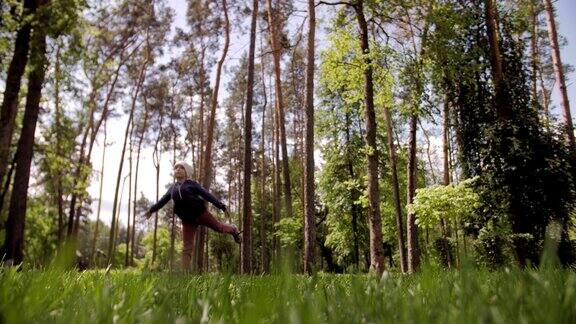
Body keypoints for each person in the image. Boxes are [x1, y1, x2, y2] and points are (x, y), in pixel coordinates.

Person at [144, 161, 241, 271]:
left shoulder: (192, 184)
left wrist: (221, 206)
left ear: (187, 172)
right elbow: (162, 201)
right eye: (176, 168)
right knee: (187, 248)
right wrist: (152, 210)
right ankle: (185, 276)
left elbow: (206, 195)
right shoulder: (172, 189)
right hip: (187, 220)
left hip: (201, 214)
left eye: (181, 167)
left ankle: (233, 229)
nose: (178, 169)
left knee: (219, 228)